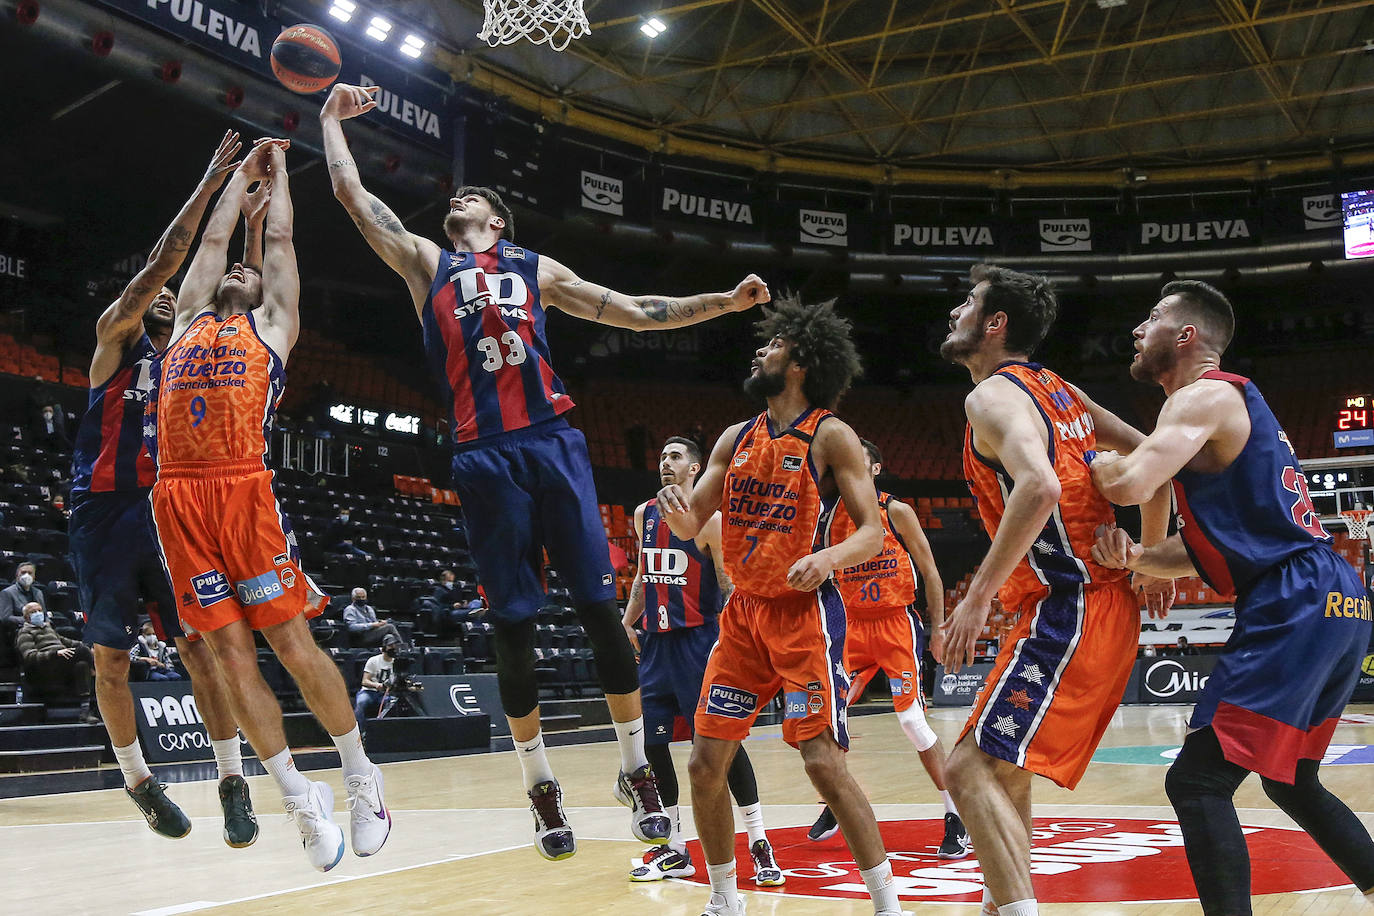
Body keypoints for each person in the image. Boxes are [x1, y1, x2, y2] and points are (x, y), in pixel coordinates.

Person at [320, 82, 770, 859]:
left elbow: (634, 308)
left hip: (553, 441)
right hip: (483, 454)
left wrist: (723, 304)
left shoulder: (536, 268)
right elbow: (355, 198)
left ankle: (635, 770)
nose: (453, 199)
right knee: (513, 625)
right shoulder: (427, 264)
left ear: (495, 221)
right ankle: (539, 782)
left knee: (600, 611)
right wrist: (329, 122)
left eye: (471, 197)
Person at [1088, 279, 1374, 915]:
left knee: (1196, 781)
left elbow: (1131, 483)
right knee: (1291, 780)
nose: (1138, 329)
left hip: (1295, 596)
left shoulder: (1204, 396)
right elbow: (1201, 550)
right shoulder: (1231, 412)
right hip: (1335, 597)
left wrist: (1093, 456)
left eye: (1153, 318)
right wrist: (1136, 558)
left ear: (1186, 336)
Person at [149, 138, 387, 872]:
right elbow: (216, 239)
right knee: (225, 653)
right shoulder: (189, 318)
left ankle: (359, 775)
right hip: (178, 497)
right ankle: (296, 798)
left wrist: (280, 174)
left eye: (254, 273)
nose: (242, 269)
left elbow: (274, 237)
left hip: (241, 490)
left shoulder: (272, 328)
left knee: (289, 643)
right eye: (236, 269)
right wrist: (235, 179)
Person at [657, 298, 906, 916]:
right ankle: (724, 898)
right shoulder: (734, 437)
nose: (758, 352)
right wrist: (676, 508)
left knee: (821, 762)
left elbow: (872, 531)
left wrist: (827, 559)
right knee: (704, 762)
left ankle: (887, 904)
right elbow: (694, 523)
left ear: (800, 361)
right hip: (743, 617)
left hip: (804, 616)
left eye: (771, 346)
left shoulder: (831, 435)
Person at [938, 264, 1173, 916]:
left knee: (966, 772)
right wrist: (1149, 559)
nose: (954, 312)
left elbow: (1039, 488)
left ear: (995, 323)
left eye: (968, 302)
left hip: (1065, 609)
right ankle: (1004, 903)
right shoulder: (1058, 390)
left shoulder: (990, 397)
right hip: (1094, 609)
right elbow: (1157, 461)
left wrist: (978, 592)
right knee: (1004, 776)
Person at [71, 131, 260, 846]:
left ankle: (232, 780)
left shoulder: (187, 353)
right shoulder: (114, 339)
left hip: (171, 510)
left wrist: (253, 210)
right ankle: (139, 783)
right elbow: (165, 263)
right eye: (157, 295)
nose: (166, 299)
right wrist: (212, 182)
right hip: (105, 510)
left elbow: (233, 284)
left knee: (201, 650)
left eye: (172, 299)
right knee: (111, 661)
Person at [619, 437, 783, 885]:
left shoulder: (710, 521)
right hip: (655, 647)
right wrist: (626, 621)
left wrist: (740, 645)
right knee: (652, 746)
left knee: (722, 744)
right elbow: (642, 575)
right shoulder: (643, 514)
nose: (664, 464)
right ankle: (673, 847)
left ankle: (759, 841)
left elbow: (729, 588)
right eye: (661, 457)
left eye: (674, 457)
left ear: (695, 469)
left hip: (700, 644)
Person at [807, 438, 970, 859]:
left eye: (858, 461)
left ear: (876, 469)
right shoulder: (827, 516)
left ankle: (957, 814)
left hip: (896, 623)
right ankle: (836, 801)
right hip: (849, 626)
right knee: (826, 717)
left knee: (913, 722)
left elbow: (931, 573)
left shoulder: (896, 511)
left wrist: (937, 629)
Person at [15, 602, 94, 703]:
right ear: (26, 617)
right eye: (33, 612)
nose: (38, 613)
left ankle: (85, 710)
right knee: (83, 651)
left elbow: (66, 641)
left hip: (62, 661)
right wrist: (55, 653)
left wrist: (89, 645)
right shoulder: (24, 632)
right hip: (46, 665)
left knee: (82, 664)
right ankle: (96, 672)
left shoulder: (48, 628)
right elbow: (30, 656)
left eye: (39, 610)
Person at [354, 633, 400, 736]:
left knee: (394, 703)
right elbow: (364, 681)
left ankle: (384, 732)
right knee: (361, 702)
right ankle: (361, 733)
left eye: (395, 645)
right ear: (384, 647)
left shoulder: (397, 663)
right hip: (369, 692)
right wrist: (377, 685)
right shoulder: (373, 661)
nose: (393, 648)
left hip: (385, 695)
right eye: (390, 646)